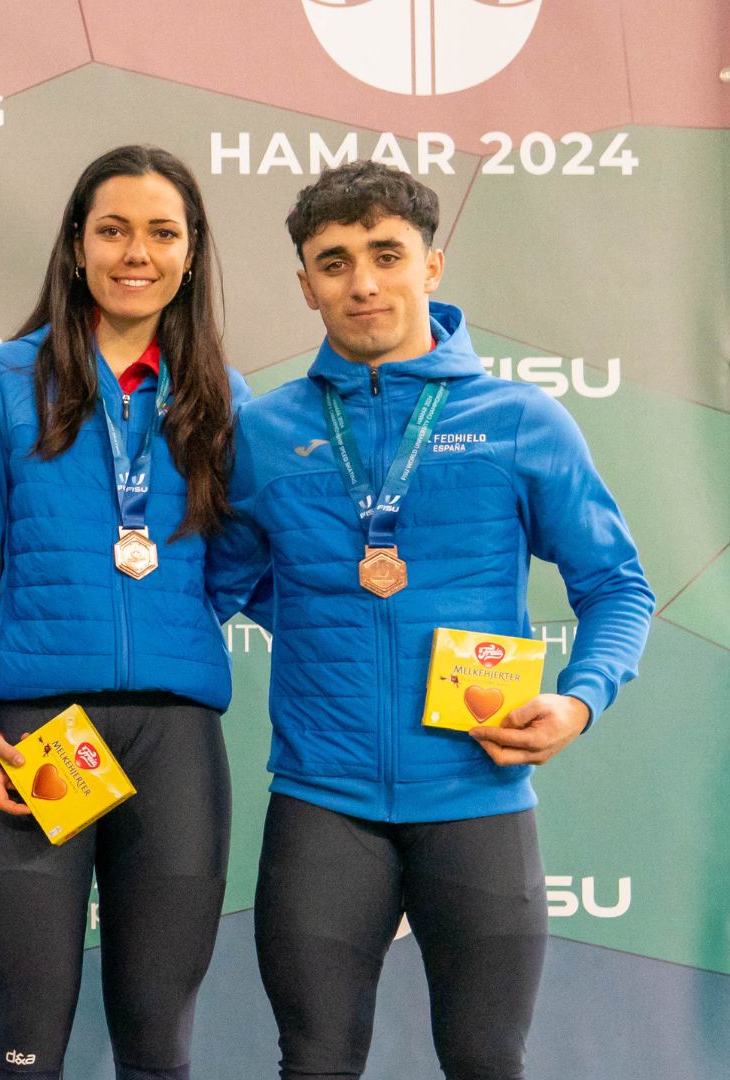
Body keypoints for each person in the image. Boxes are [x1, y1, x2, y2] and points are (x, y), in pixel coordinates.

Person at [206, 160, 654, 1079]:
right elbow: (220, 580)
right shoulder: (265, 431)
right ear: (304, 285)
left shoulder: (520, 419)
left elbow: (617, 585)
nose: (362, 283)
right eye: (333, 263)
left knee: (487, 1063)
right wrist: (321, 629)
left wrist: (578, 702)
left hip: (477, 800)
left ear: (432, 266)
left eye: (385, 254)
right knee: (315, 1063)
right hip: (321, 802)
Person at [0, 145, 249, 1080]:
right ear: (75, 246)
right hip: (37, 732)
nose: (135, 251)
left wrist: (172, 622)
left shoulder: (223, 399)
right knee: (24, 1043)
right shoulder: (2, 382)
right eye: (112, 229)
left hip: (175, 742)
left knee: (157, 1043)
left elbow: (242, 563)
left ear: (190, 254)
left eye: (161, 232)